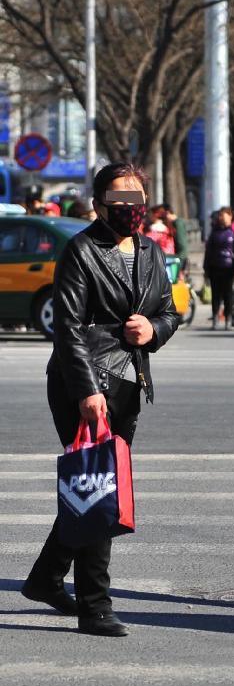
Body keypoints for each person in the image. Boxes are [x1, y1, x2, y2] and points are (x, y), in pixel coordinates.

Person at [22, 161, 179, 636]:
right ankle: (95, 605)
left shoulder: (150, 250)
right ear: (98, 204)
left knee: (94, 484)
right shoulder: (81, 251)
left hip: (128, 383)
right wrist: (87, 390)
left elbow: (168, 311)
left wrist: (153, 329)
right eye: (119, 200)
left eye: (136, 199)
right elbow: (68, 330)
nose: (129, 208)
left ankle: (46, 578)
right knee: (100, 486)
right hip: (84, 383)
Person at [203, 206, 234, 330]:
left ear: (230, 216)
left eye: (223, 215)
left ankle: (228, 319)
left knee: (228, 295)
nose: (221, 218)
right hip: (215, 267)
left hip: (229, 268)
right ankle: (215, 318)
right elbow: (208, 251)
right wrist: (206, 268)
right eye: (220, 215)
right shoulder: (215, 231)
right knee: (215, 295)